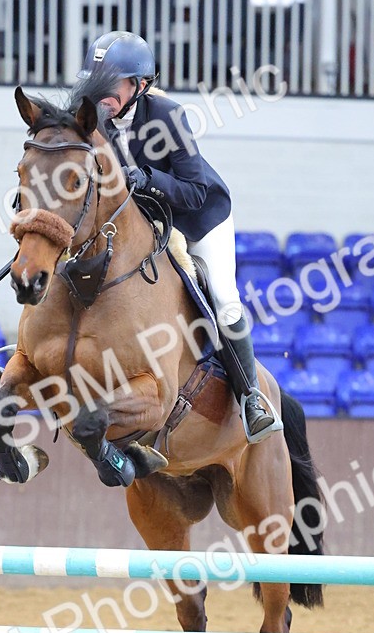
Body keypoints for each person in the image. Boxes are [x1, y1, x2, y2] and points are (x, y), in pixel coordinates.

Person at [78, 30, 281, 443]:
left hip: (197, 218)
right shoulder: (94, 121)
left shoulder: (168, 116)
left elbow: (194, 190)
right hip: (146, 222)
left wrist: (145, 178)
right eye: (96, 80)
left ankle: (252, 399)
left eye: (111, 82)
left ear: (140, 85)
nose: (101, 92)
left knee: (224, 300)